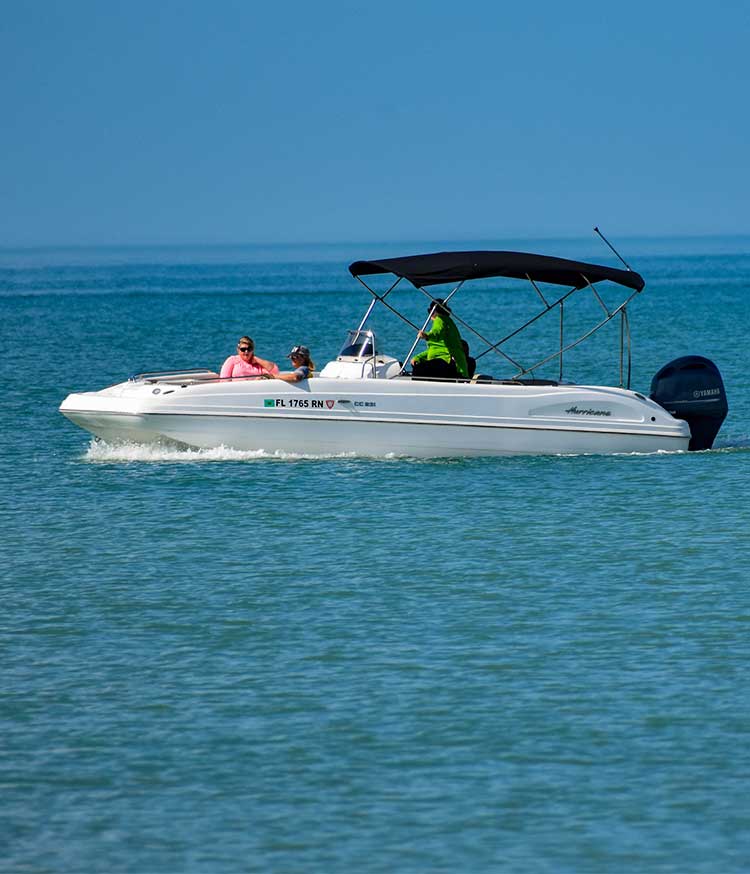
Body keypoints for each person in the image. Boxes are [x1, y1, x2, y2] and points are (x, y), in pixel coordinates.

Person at [411, 299, 469, 379]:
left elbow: (436, 332)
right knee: (419, 365)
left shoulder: (440, 319)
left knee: (418, 370)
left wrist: (426, 335)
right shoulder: (448, 321)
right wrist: (418, 357)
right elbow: (436, 348)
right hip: (448, 361)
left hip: (447, 361)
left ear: (433, 312)